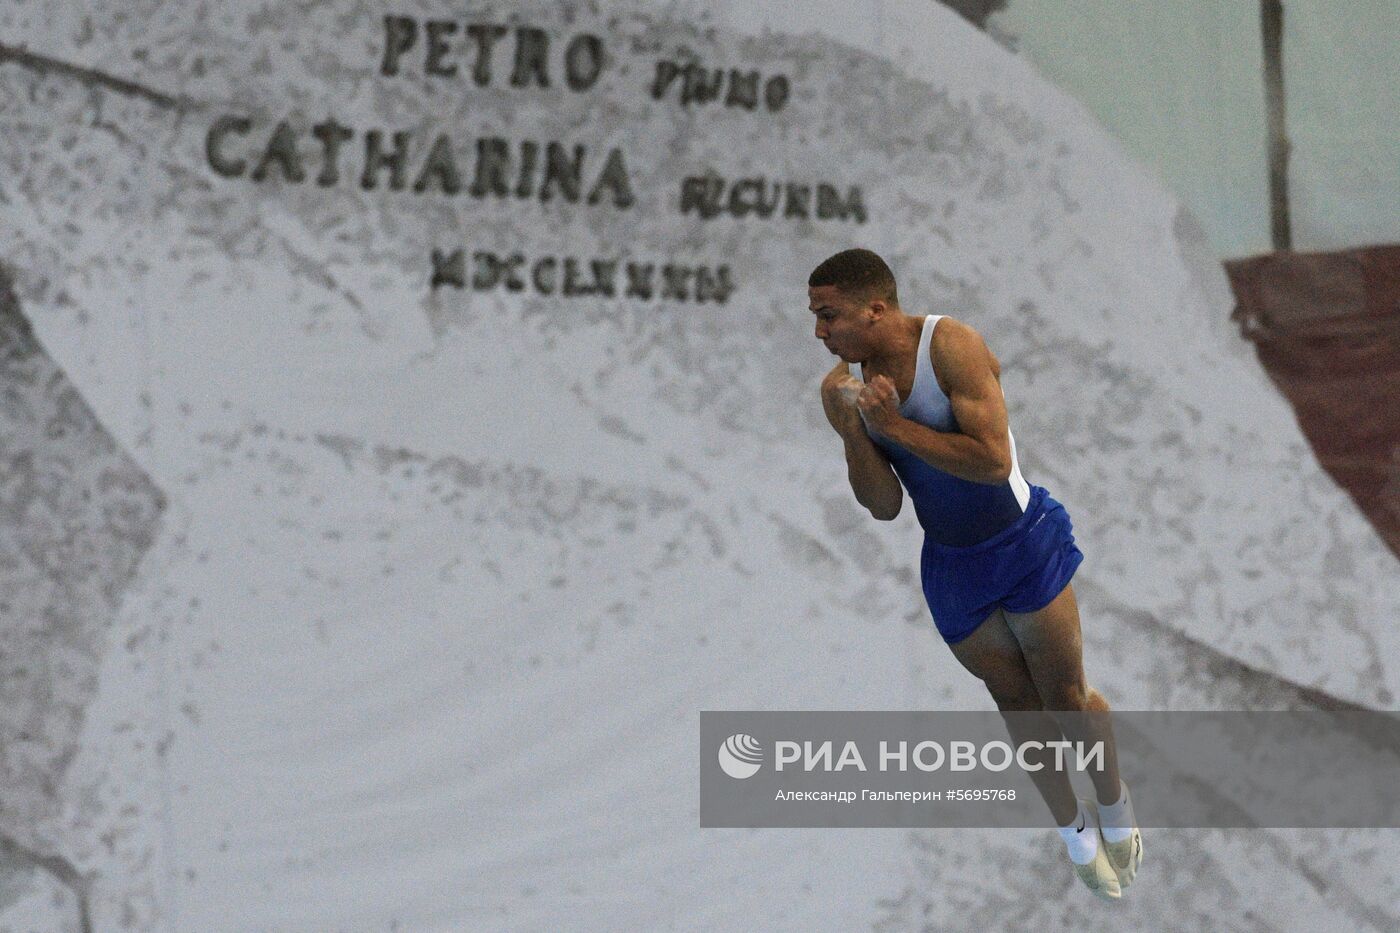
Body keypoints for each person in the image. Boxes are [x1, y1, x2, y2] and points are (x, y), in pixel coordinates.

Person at [811, 248, 1142, 900]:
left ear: (875, 308)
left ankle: (1112, 803)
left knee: (1065, 700)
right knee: (1015, 704)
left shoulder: (951, 346)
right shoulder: (841, 387)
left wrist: (894, 424)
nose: (820, 332)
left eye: (829, 315)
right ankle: (1074, 832)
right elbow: (883, 506)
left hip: (1019, 541)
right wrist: (856, 432)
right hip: (953, 564)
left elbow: (992, 462)